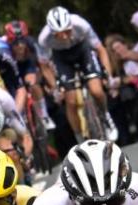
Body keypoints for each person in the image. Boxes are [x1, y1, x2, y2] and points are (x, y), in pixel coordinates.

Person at [37, 6, 119, 142]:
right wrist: (55, 87)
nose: (63, 36)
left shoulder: (81, 25)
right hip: (61, 58)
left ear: (71, 26)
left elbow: (101, 50)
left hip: (82, 51)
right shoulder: (44, 39)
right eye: (58, 34)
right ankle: (79, 137)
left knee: (97, 91)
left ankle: (106, 117)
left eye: (67, 32)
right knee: (71, 101)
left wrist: (107, 75)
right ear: (52, 32)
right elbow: (44, 66)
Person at [4, 19, 57, 131]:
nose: (20, 46)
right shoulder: (3, 48)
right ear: (9, 42)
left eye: (22, 41)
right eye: (15, 43)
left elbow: (44, 67)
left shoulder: (33, 44)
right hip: (12, 69)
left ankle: (44, 116)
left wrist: (54, 87)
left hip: (28, 65)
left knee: (33, 83)